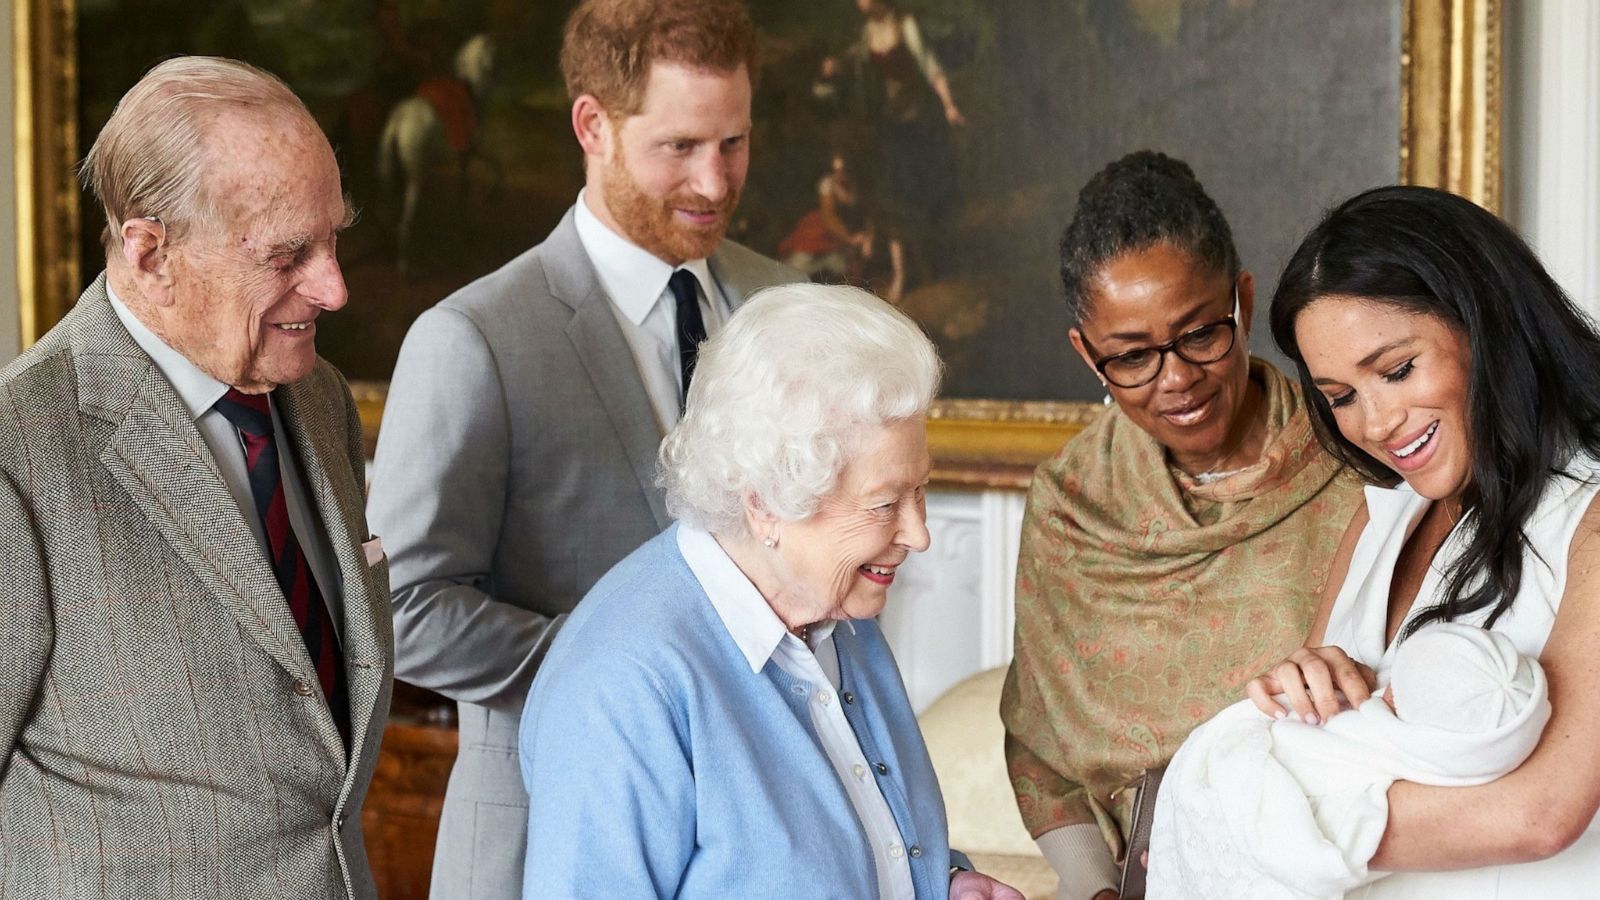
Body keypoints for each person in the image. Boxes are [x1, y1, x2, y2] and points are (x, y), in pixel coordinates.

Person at [366, 1, 801, 896]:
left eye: (735, 144)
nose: (716, 184)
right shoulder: (472, 339)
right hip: (542, 841)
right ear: (591, 125)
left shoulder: (786, 301)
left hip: (759, 850)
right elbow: (403, 610)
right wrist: (637, 671)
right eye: (680, 147)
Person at [0, 57, 389, 898]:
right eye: (288, 254)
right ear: (150, 253)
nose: (333, 286)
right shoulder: (17, 452)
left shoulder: (317, 400)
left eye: (334, 239)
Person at [518, 284, 1020, 899]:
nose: (918, 534)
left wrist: (943, 881)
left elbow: (846, 842)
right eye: (885, 504)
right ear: (765, 504)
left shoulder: (840, 612)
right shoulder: (623, 684)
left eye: (920, 491)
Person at [998, 151, 1364, 900]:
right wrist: (1092, 886)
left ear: (1244, 302)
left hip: (1343, 866)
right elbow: (1043, 746)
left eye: (1200, 334)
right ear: (1087, 356)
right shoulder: (1072, 505)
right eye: (1130, 356)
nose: (1176, 380)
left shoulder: (1358, 464)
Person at [1249, 184, 1600, 897]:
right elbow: (1308, 734)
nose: (1374, 423)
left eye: (1397, 369)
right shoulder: (1382, 516)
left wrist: (1259, 805)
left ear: (1486, 324)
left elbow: (1543, 814)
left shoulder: (1589, 517)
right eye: (1340, 396)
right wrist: (1300, 693)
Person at [1151, 623, 1550, 899]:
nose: (1386, 689)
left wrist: (1212, 832)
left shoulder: (1377, 753)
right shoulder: (1373, 519)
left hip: (1258, 773)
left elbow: (1305, 851)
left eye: (1393, 687)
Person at [819, 0, 964, 300]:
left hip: (917, 126)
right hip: (888, 126)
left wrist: (949, 106)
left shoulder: (906, 26)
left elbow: (931, 67)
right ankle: (902, 274)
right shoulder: (868, 31)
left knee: (916, 198)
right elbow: (856, 63)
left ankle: (927, 267)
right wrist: (837, 66)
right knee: (891, 199)